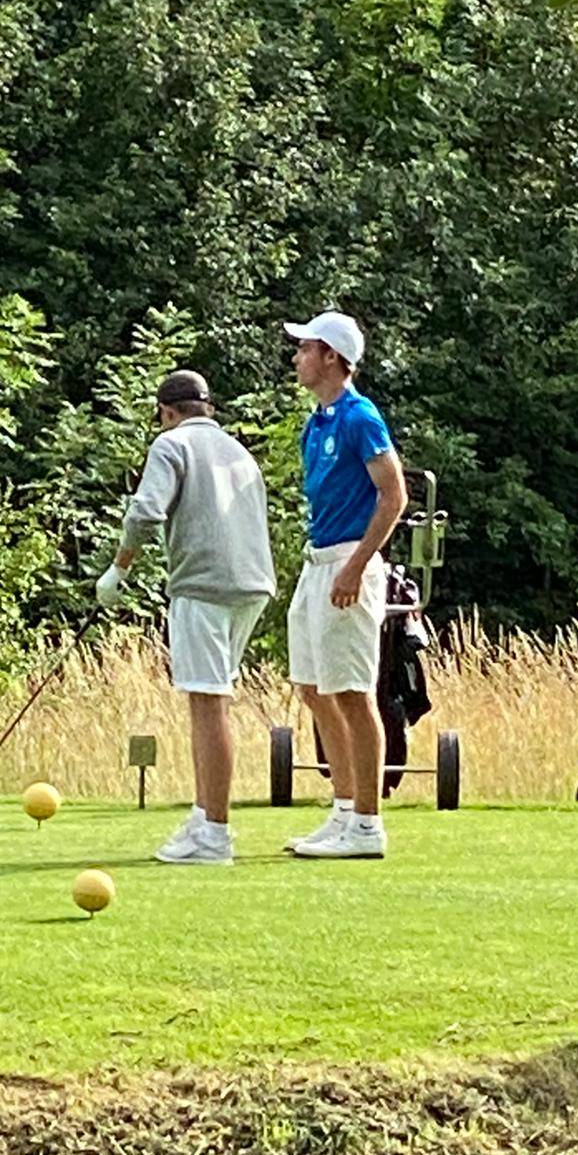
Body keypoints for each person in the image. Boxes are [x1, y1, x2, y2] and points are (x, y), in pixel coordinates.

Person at [96, 369, 276, 863]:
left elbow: (145, 513)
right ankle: (204, 818)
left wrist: (119, 568)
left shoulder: (171, 444)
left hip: (203, 585)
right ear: (208, 408)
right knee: (215, 698)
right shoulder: (238, 451)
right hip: (252, 585)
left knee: (207, 702)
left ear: (167, 412)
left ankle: (213, 833)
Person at [284, 310, 407, 858]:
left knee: (354, 693)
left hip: (347, 561)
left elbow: (393, 495)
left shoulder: (360, 417)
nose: (297, 358)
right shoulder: (317, 421)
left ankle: (367, 825)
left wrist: (356, 566)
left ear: (331, 356)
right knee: (313, 687)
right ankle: (343, 808)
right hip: (317, 563)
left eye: (305, 348)